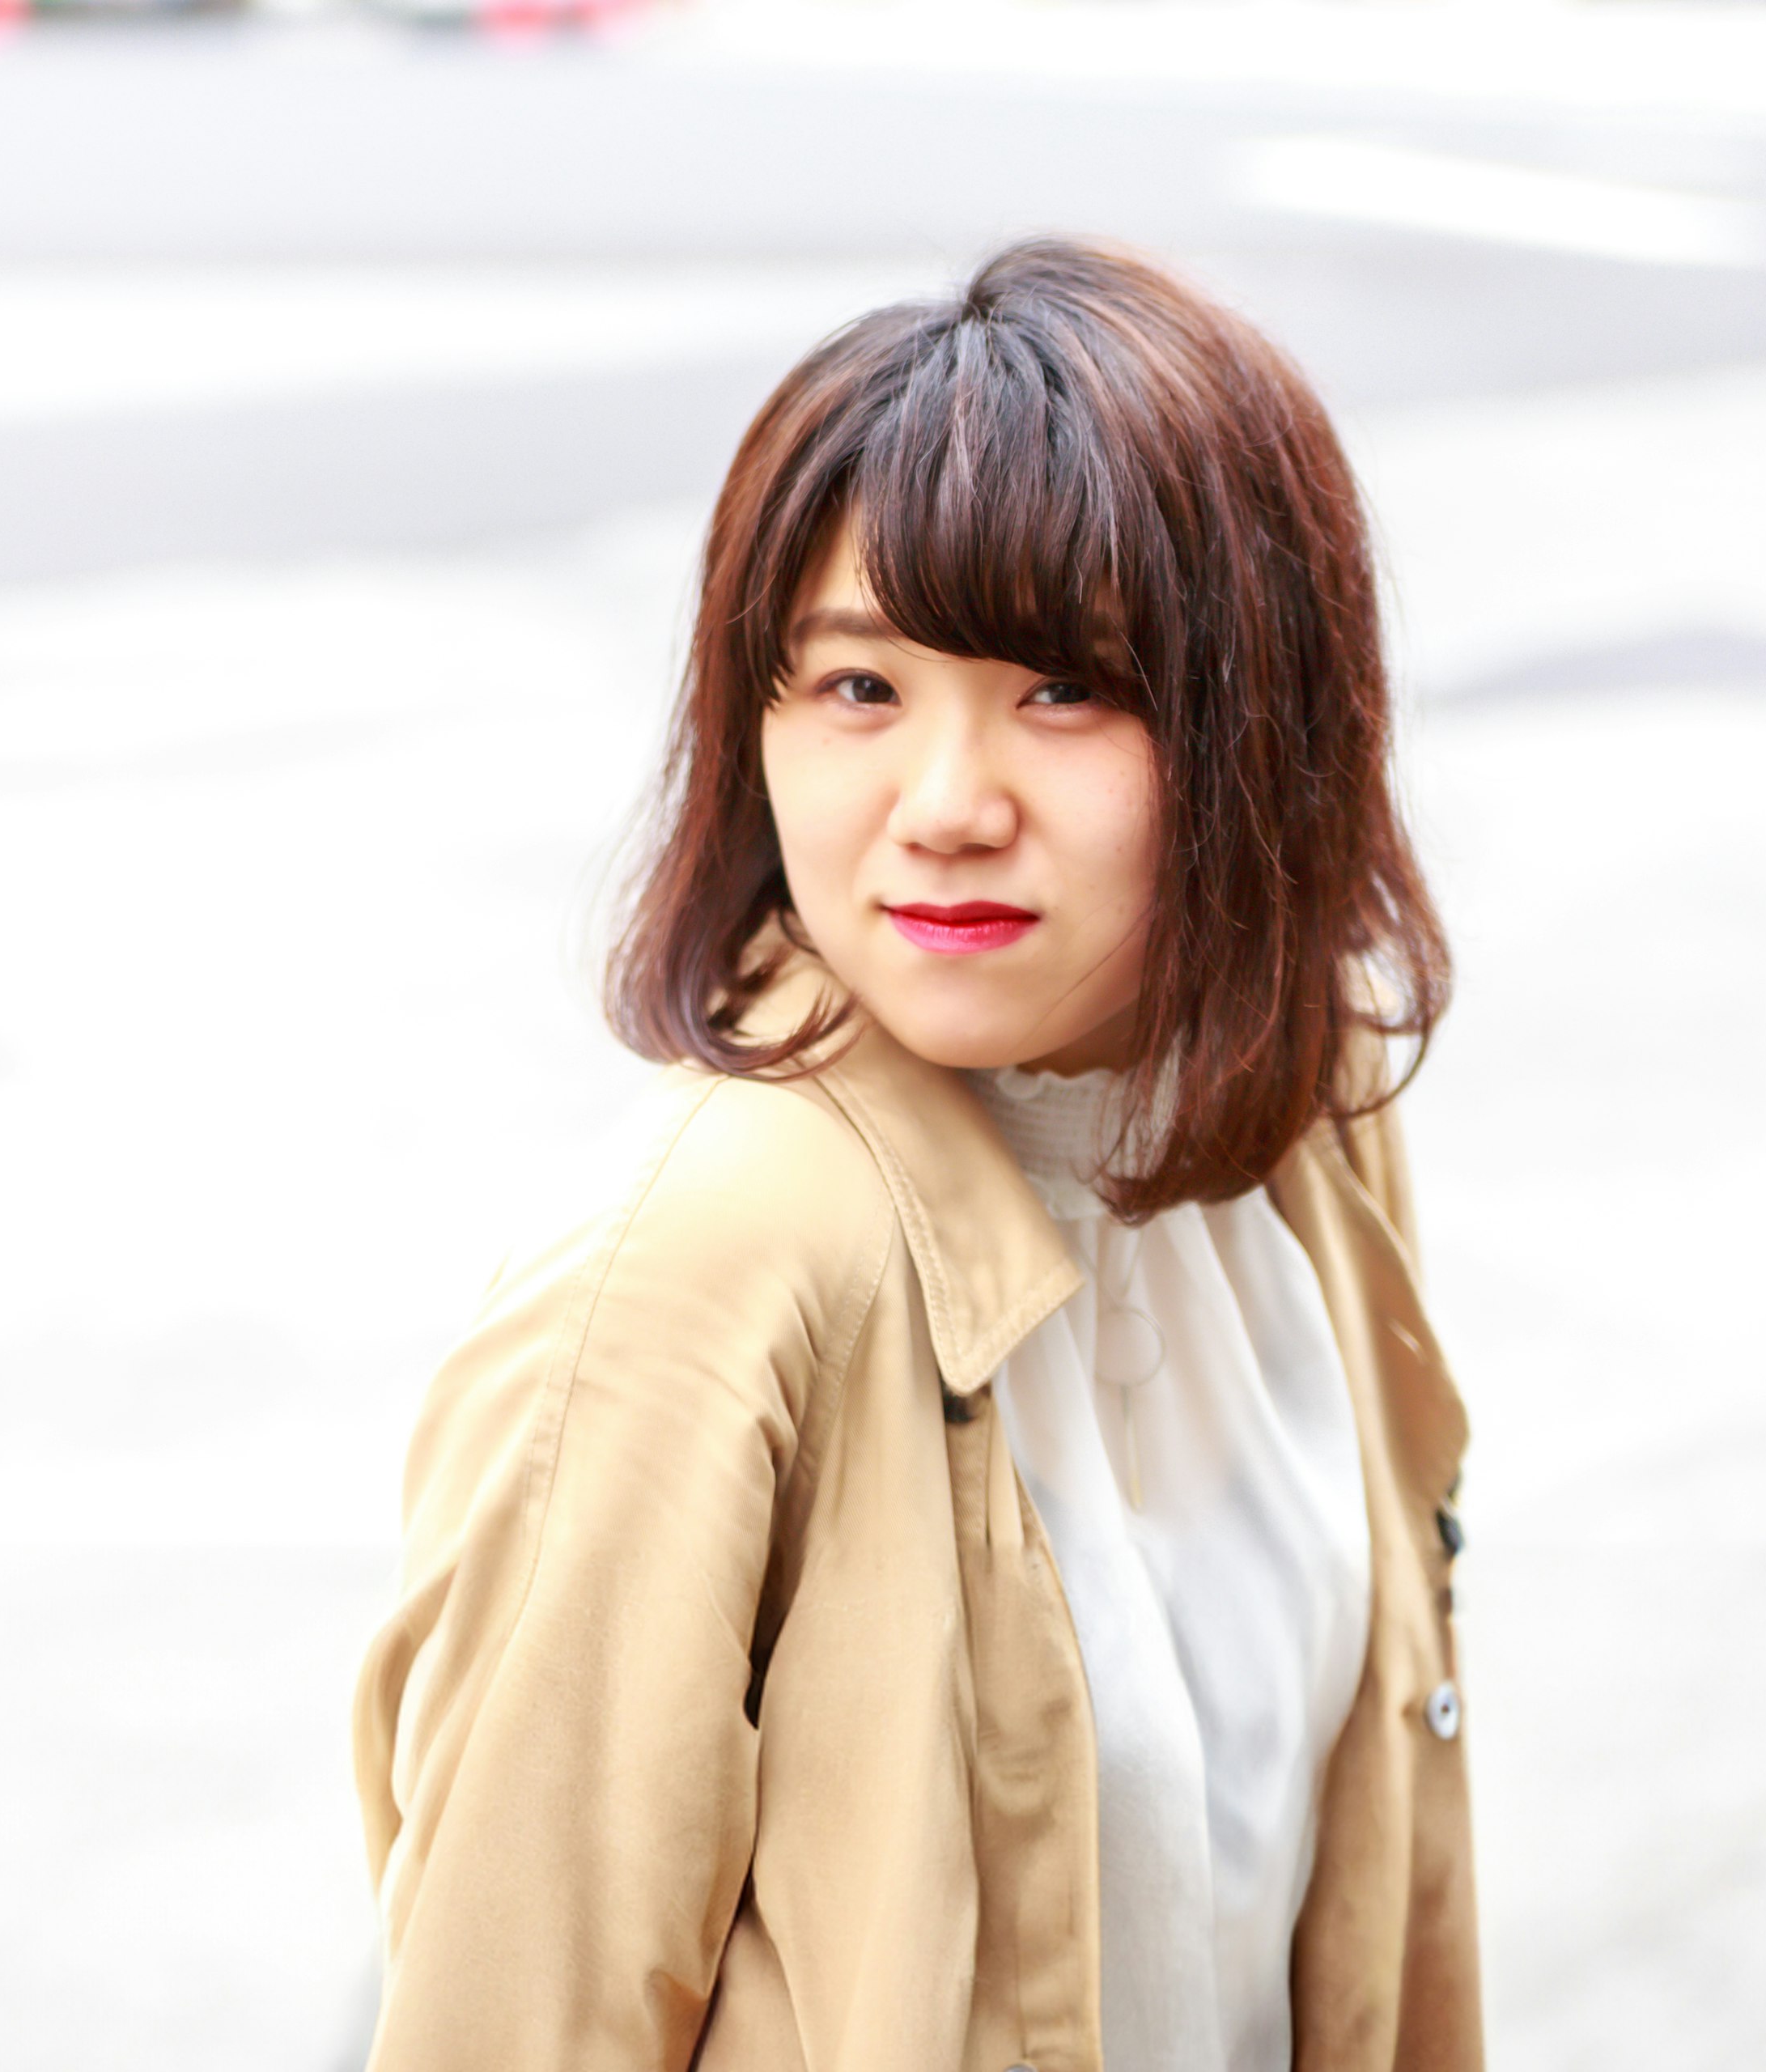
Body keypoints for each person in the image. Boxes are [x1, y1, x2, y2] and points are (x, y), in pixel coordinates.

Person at [350, 237, 1476, 2072]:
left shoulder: (1304, 1126)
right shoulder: (695, 1277)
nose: (947, 808)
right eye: (861, 691)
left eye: (1067, 691)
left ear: (1263, 722)